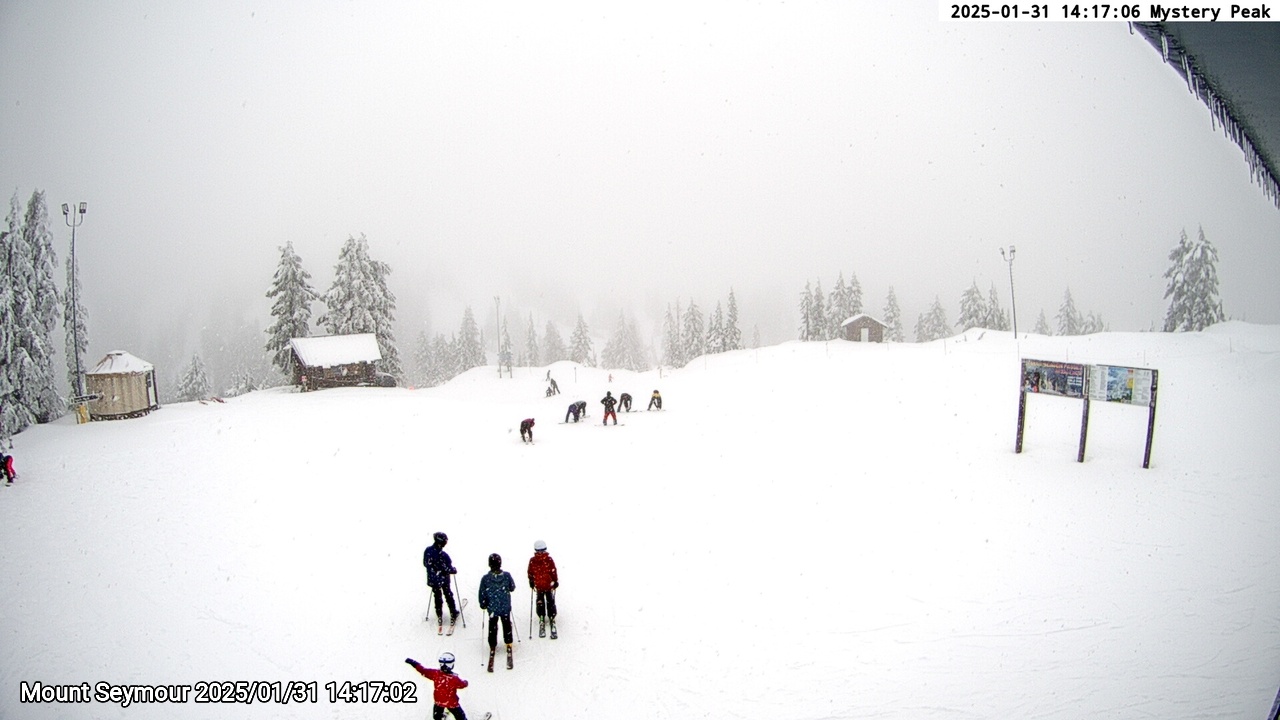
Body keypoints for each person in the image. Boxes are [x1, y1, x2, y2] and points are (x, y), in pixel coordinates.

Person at [478, 553, 517, 671]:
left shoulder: (485, 579)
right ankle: (508, 642)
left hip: (493, 608)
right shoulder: (506, 576)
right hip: (504, 606)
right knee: (506, 624)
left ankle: (492, 644)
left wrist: (483, 603)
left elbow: (482, 592)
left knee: (492, 626)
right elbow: (512, 587)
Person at [406, 652, 470, 720]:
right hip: (452, 703)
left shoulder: (436, 674)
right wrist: (466, 682)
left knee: (437, 717)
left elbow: (423, 671)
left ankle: (440, 717)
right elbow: (462, 685)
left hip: (439, 702)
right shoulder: (454, 679)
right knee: (461, 717)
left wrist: (414, 663)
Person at [423, 532, 461, 633]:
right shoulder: (443, 555)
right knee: (448, 594)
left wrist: (433, 571)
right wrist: (453, 570)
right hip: (443, 579)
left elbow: (425, 563)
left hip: (433, 579)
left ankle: (439, 614)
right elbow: (447, 568)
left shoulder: (427, 551)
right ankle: (453, 612)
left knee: (437, 595)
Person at [527, 539, 559, 639]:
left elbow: (530, 572)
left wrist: (531, 580)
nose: (540, 553)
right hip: (546, 585)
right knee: (549, 601)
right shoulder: (548, 560)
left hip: (541, 585)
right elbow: (553, 571)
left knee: (542, 601)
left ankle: (543, 615)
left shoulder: (534, 560)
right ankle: (550, 615)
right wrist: (555, 580)